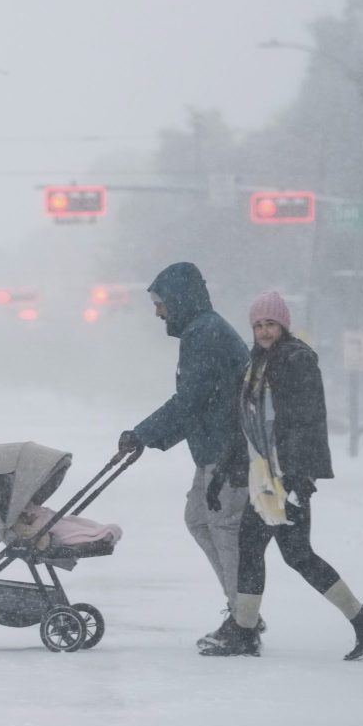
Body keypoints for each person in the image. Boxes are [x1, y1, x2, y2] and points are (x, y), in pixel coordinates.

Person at [199, 290, 363, 660]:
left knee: (259, 548)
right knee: (294, 554)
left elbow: (306, 422)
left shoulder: (295, 361)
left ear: (283, 325)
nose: (264, 331)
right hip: (266, 476)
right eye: (258, 325)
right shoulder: (257, 366)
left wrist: (300, 476)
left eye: (270, 324)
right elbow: (247, 427)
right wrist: (222, 475)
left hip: (285, 476)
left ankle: (244, 632)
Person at [117, 261, 254, 650]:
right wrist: (147, 439)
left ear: (178, 300)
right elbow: (197, 404)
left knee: (224, 527)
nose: (157, 311)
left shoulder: (204, 335)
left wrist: (142, 434)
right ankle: (242, 611)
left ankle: (244, 622)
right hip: (214, 447)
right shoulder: (201, 331)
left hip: (228, 451)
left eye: (160, 303)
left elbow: (190, 401)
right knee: (198, 519)